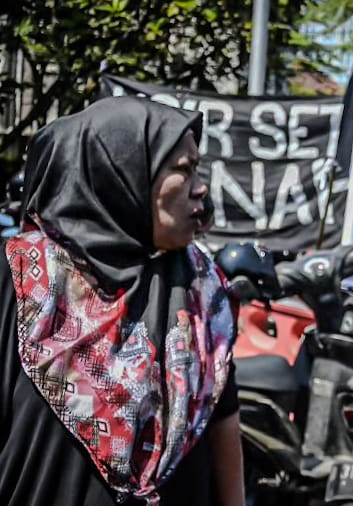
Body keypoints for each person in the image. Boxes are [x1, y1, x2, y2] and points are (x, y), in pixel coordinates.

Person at [0, 97, 243, 506]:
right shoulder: (19, 279)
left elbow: (223, 426)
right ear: (119, 173)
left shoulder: (202, 290)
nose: (200, 187)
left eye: (196, 170)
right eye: (182, 170)